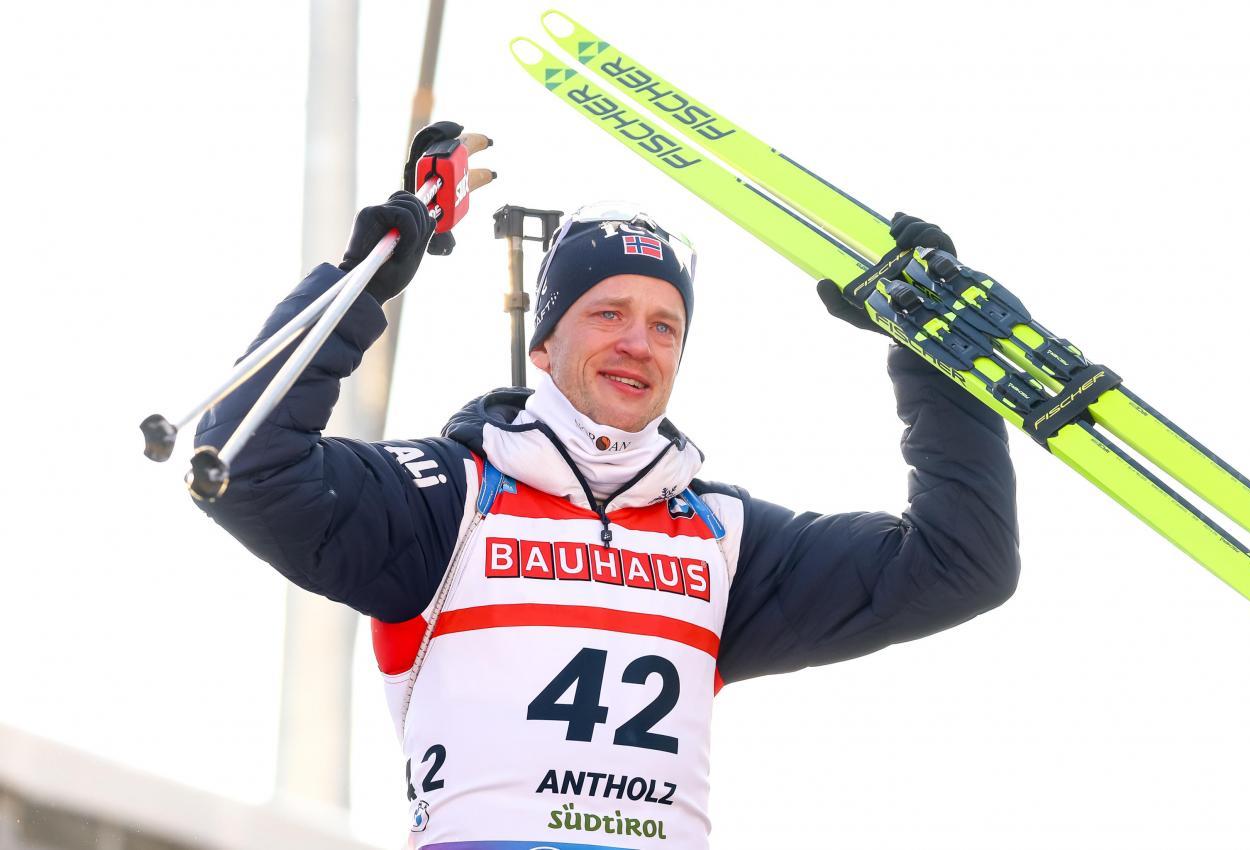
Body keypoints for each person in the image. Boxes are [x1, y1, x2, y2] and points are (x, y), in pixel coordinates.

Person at [193, 125, 1019, 849]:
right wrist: (359, 282)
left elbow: (960, 564)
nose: (638, 343)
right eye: (608, 313)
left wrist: (933, 357)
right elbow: (242, 463)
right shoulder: (448, 499)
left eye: (665, 326)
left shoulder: (723, 535)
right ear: (543, 345)